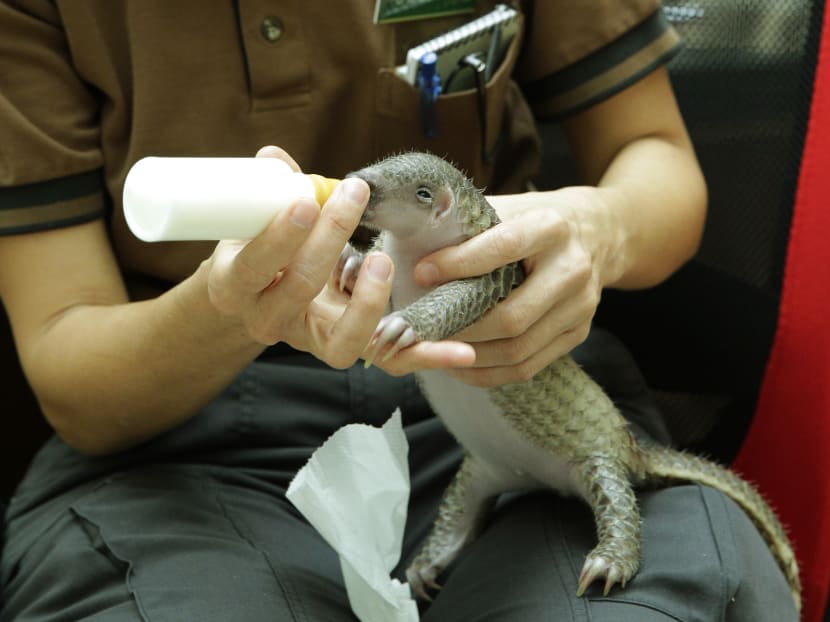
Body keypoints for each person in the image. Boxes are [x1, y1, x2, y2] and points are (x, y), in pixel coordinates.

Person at [0, 1, 796, 620]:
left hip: (513, 394)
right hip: (183, 444)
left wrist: (599, 227)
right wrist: (233, 311)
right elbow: (72, 376)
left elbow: (657, 158)